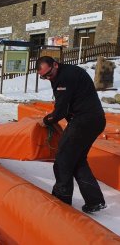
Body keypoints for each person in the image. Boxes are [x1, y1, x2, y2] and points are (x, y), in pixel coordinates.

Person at [36, 56, 106, 213]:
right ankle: (94, 201)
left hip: (84, 121)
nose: (48, 78)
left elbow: (61, 111)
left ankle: (61, 201)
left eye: (49, 74)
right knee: (78, 160)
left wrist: (46, 120)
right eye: (44, 77)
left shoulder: (65, 78)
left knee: (62, 160)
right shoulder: (67, 72)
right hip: (95, 120)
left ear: (55, 65)